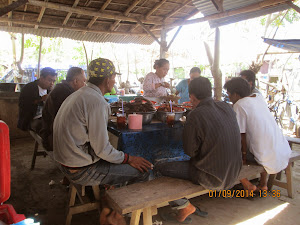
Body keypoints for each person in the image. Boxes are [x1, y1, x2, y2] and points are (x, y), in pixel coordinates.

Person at [53, 58, 152, 224]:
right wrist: (129, 158)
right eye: (114, 77)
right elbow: (102, 150)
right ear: (108, 80)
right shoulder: (96, 102)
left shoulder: (80, 94)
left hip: (65, 162)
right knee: (143, 170)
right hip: (80, 170)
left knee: (121, 158)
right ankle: (115, 213)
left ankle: (108, 202)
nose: (114, 80)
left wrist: (123, 158)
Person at [154, 77, 242, 223]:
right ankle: (183, 205)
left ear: (192, 97)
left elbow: (190, 152)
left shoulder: (195, 115)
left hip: (212, 177)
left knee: (158, 167)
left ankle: (183, 206)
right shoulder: (226, 106)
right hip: (234, 171)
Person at [224, 77, 291, 192]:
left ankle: (247, 185)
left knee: (224, 154)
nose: (229, 97)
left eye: (229, 94)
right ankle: (263, 183)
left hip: (263, 155)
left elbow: (241, 136)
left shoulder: (239, 105)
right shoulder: (258, 97)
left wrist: (243, 156)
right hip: (281, 149)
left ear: (236, 94)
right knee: (262, 144)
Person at [40, 67, 86, 151]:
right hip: (53, 138)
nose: (85, 85)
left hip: (52, 133)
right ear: (75, 81)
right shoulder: (64, 93)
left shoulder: (63, 89)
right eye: (83, 81)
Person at [17, 67, 57, 135]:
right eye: (49, 80)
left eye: (54, 81)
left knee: (58, 125)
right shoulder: (29, 88)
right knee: (48, 129)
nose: (52, 83)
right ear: (41, 78)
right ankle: (49, 144)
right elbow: (23, 105)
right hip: (31, 119)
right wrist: (41, 99)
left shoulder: (50, 90)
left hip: (45, 118)